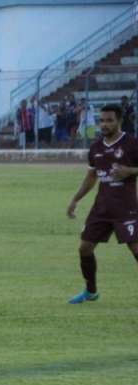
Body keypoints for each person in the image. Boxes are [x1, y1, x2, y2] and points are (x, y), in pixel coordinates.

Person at [66, 104, 138, 303]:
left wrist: (129, 171)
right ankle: (91, 292)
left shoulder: (131, 144)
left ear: (119, 121)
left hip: (126, 207)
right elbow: (91, 176)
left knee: (136, 250)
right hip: (102, 208)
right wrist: (75, 200)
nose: (104, 125)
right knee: (85, 248)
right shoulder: (96, 147)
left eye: (109, 120)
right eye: (102, 121)